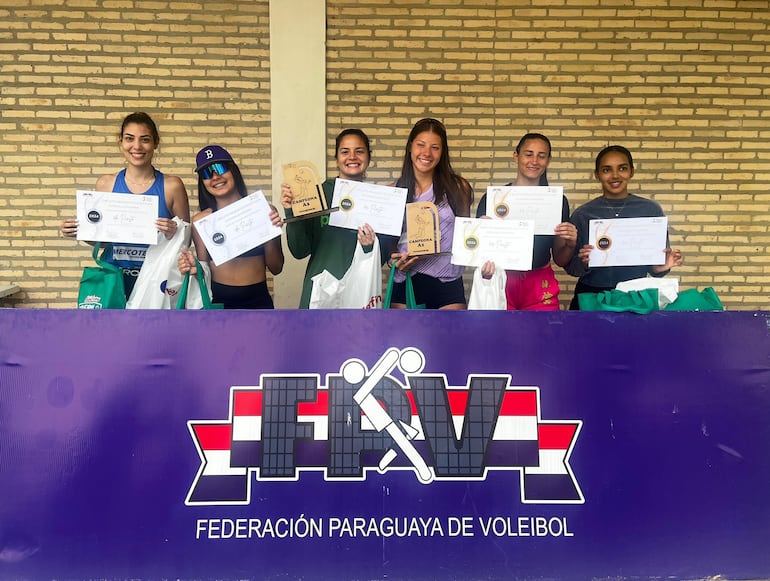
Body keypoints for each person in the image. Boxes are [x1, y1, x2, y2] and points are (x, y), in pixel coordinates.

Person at [60, 112, 190, 298]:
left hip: (155, 281)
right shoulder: (106, 184)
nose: (137, 146)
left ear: (155, 143)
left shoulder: (172, 186)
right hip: (114, 279)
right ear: (120, 141)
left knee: (153, 328)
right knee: (112, 328)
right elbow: (103, 240)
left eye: (145, 139)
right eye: (130, 139)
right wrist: (78, 232)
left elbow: (186, 240)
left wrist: (173, 232)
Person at [280, 128, 396, 309]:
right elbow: (299, 251)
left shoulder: (376, 201)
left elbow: (379, 258)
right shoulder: (317, 194)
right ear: (336, 158)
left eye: (359, 151)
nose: (352, 157)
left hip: (360, 294)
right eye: (345, 151)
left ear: (369, 157)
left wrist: (367, 247)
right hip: (320, 293)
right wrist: (290, 211)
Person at [565, 145, 684, 310]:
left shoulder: (650, 210)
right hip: (592, 296)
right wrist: (584, 263)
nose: (615, 175)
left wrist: (661, 268)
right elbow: (572, 268)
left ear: (632, 171)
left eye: (622, 168)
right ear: (597, 175)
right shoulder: (583, 214)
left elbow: (656, 269)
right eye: (607, 170)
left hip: (635, 297)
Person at [475, 133, 577, 310]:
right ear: (516, 156)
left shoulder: (557, 202)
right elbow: (478, 252)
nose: (534, 161)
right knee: (501, 336)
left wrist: (570, 243)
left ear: (548, 160)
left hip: (539, 280)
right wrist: (480, 238)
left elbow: (560, 259)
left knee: (543, 336)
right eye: (528, 154)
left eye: (541, 156)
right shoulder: (493, 199)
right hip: (502, 277)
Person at [178, 145, 284, 309]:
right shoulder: (201, 221)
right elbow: (204, 274)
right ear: (202, 182)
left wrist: (273, 234)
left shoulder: (263, 209)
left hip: (258, 300)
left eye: (219, 168)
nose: (215, 176)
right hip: (219, 302)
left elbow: (276, 268)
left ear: (233, 170)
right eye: (207, 173)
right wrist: (194, 268)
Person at [389, 117, 473, 310]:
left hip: (448, 282)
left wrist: (484, 230)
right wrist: (394, 258)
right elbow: (390, 243)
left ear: (442, 152)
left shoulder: (458, 187)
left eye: (435, 147)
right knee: (406, 341)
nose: (426, 153)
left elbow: (467, 235)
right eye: (421, 145)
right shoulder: (394, 190)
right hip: (406, 280)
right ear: (411, 147)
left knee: (450, 340)